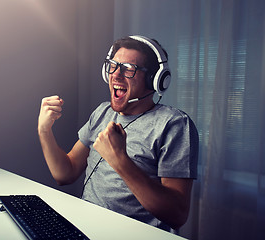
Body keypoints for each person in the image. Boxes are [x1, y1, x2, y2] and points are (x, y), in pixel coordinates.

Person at [37, 35, 198, 233]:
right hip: (84, 228)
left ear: (154, 80)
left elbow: (177, 215)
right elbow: (65, 173)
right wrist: (44, 130)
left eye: (129, 69)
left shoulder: (173, 124)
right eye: (112, 65)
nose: (116, 75)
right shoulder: (102, 112)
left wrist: (119, 159)